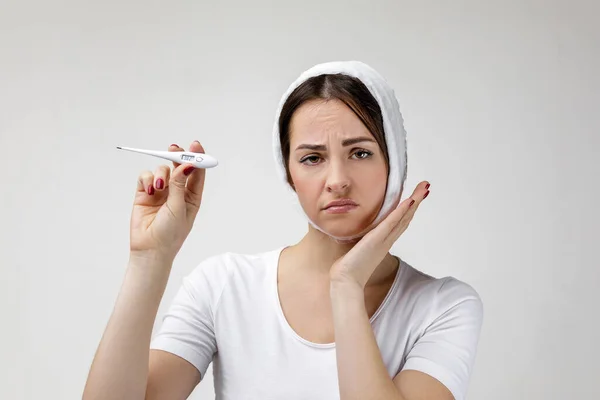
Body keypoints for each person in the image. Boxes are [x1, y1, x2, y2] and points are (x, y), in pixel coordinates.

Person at [83, 61, 483, 400]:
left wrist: (345, 286)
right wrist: (149, 259)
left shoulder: (443, 307)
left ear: (394, 161)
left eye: (360, 153)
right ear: (287, 172)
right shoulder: (224, 286)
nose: (337, 180)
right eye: (312, 158)